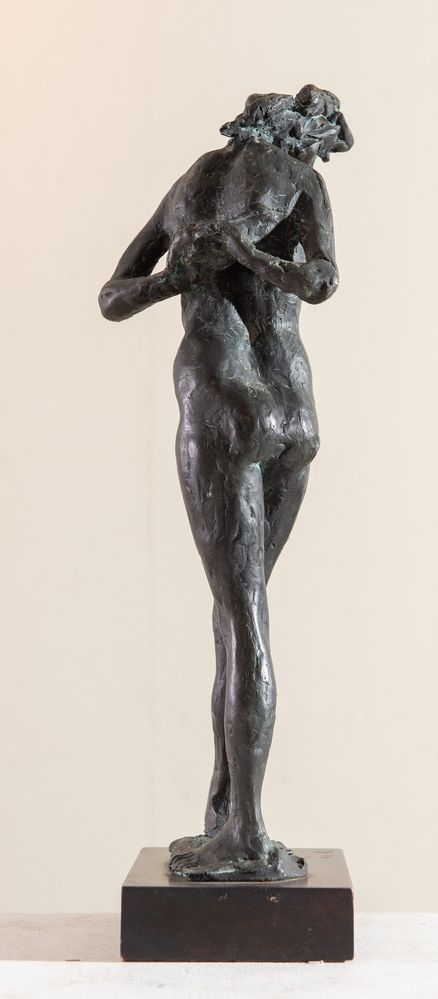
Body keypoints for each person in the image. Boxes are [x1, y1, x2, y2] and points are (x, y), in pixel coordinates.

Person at [99, 85, 353, 880]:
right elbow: (322, 283)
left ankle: (244, 827)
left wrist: (203, 267)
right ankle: (226, 809)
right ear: (295, 134)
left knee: (242, 615)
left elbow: (115, 295)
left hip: (227, 400)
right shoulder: (300, 181)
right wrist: (244, 260)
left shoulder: (191, 187)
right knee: (239, 613)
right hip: (295, 412)